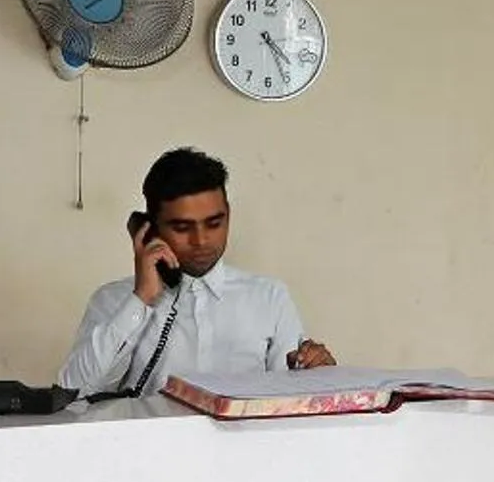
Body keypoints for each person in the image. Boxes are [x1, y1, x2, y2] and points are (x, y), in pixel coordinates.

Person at [59, 148, 334, 398]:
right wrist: (141, 300)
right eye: (182, 227)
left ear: (228, 215)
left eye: (214, 223)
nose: (201, 240)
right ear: (150, 229)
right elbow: (75, 392)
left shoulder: (269, 297)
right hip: (148, 451)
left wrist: (313, 372)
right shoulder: (112, 301)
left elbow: (289, 402)